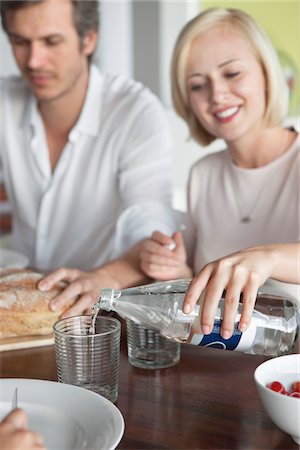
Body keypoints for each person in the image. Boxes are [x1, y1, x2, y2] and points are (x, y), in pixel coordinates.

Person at [0, 0, 176, 317]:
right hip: (22, 305)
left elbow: (152, 231)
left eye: (51, 42)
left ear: (89, 39)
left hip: (102, 311)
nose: (34, 61)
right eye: (20, 42)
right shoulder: (5, 101)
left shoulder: (134, 112)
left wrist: (102, 279)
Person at [139, 8, 299, 339]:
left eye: (232, 74)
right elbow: (202, 290)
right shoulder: (203, 175)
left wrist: (266, 257)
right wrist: (177, 271)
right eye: (198, 85)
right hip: (220, 359)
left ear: (267, 73)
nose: (217, 95)